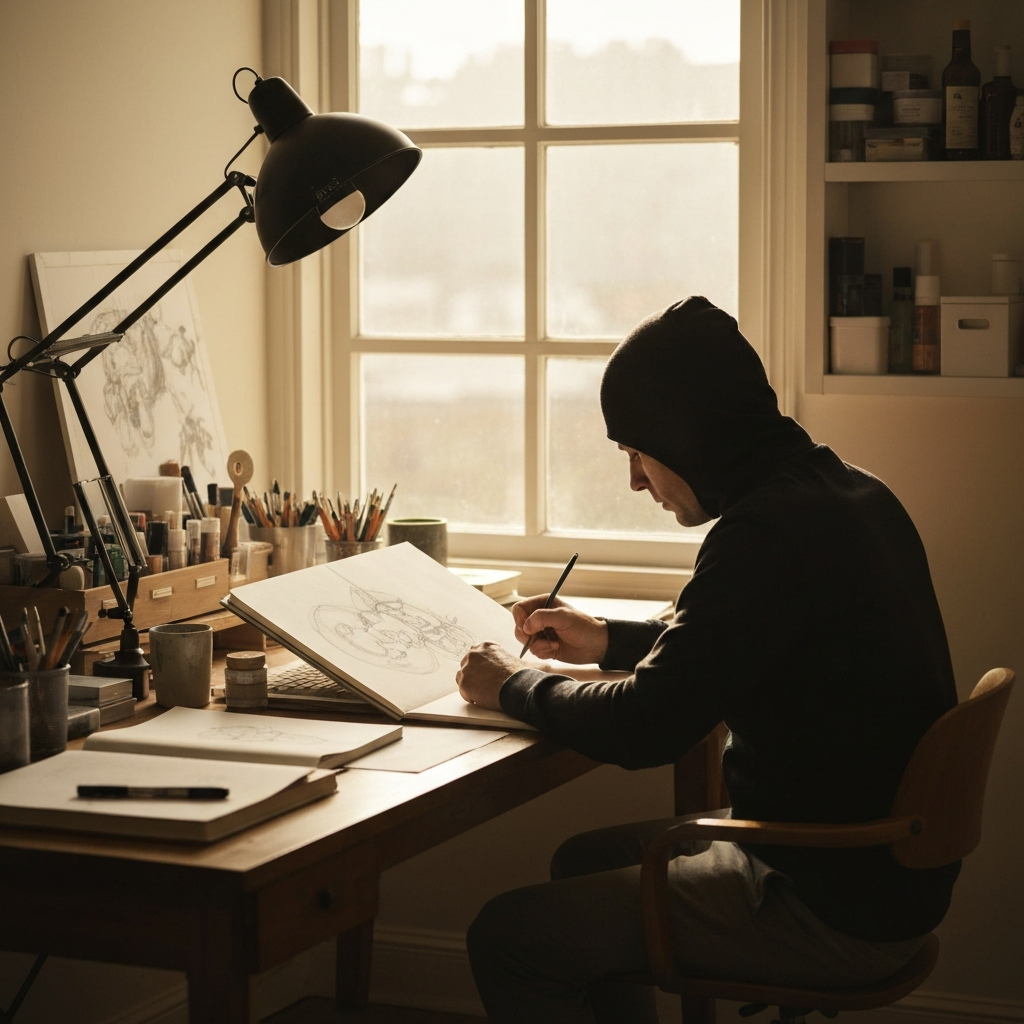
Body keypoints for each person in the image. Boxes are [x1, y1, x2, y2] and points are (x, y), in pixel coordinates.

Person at [456, 297, 960, 1024]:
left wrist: (512, 686)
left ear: (685, 435)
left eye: (636, 451)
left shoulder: (764, 532)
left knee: (508, 938)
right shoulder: (847, 491)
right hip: (877, 872)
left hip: (824, 898)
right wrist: (607, 639)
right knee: (583, 860)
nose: (635, 481)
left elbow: (647, 726)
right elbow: (740, 644)